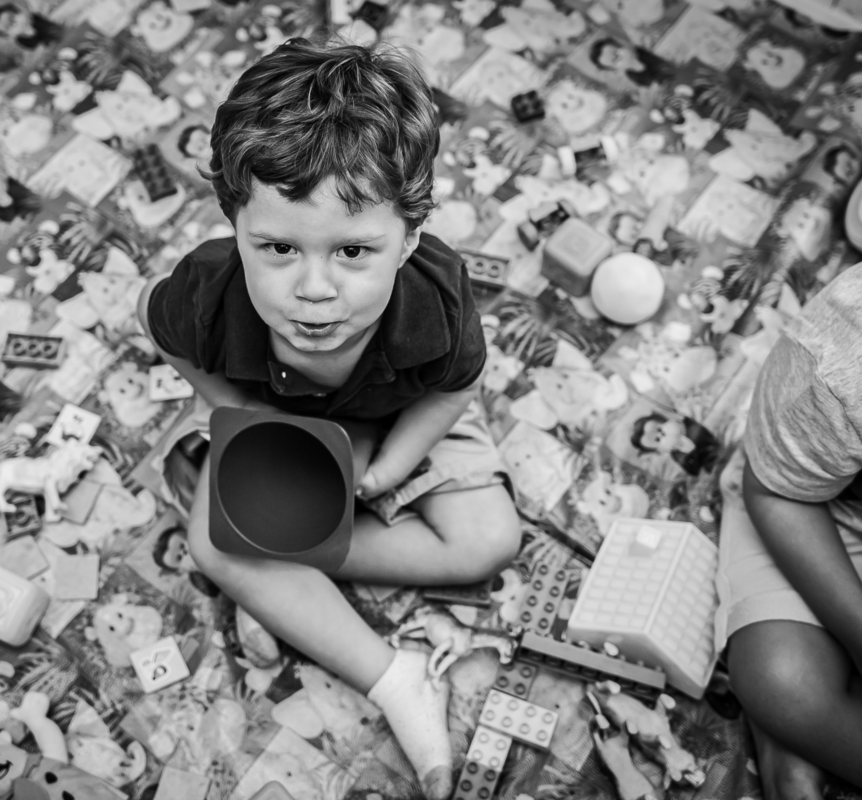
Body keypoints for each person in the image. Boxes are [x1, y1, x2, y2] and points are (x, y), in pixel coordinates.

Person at [137, 38, 519, 800]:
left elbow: (454, 391)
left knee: (490, 542)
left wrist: (387, 468)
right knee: (214, 544)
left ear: (409, 240)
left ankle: (280, 576)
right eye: (278, 247)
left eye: (353, 252)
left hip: (400, 413)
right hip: (279, 420)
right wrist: (239, 410)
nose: (314, 290)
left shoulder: (437, 304)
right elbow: (154, 320)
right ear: (234, 224)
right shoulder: (208, 293)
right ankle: (397, 678)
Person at [719, 236, 862, 800]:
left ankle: (801, 745)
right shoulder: (843, 367)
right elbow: (778, 494)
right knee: (783, 682)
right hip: (820, 512)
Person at [588, 36, 674, 87]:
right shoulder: (633, 76)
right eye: (615, 60)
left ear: (622, 44)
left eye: (616, 52)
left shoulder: (647, 47)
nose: (621, 57)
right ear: (615, 69)